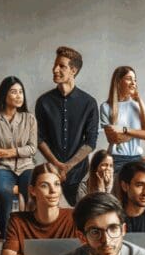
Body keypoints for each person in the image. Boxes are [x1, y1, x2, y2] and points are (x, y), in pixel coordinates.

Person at [36, 46, 100, 206]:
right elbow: (39, 138)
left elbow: (91, 141)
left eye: (61, 66)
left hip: (81, 174)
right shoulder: (43, 102)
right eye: (55, 65)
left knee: (80, 220)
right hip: (51, 173)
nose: (55, 69)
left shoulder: (89, 103)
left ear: (73, 70)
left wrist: (68, 166)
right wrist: (57, 165)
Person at [0, 164, 77, 255]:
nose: (53, 191)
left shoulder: (74, 218)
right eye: (45, 185)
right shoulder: (17, 221)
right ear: (33, 190)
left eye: (57, 184)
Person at [0, 76, 39, 242]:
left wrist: (11, 152)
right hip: (2, 167)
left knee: (35, 190)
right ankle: (6, 235)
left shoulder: (29, 119)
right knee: (3, 190)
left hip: (26, 166)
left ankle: (31, 232)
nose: (19, 96)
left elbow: (33, 148)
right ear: (4, 94)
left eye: (21, 92)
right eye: (14, 92)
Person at [100, 65, 145, 177]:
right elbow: (114, 138)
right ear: (118, 81)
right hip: (116, 159)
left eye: (135, 80)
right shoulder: (106, 107)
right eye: (129, 79)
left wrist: (123, 129)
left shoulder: (138, 105)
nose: (133, 83)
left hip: (137, 158)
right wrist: (140, 133)